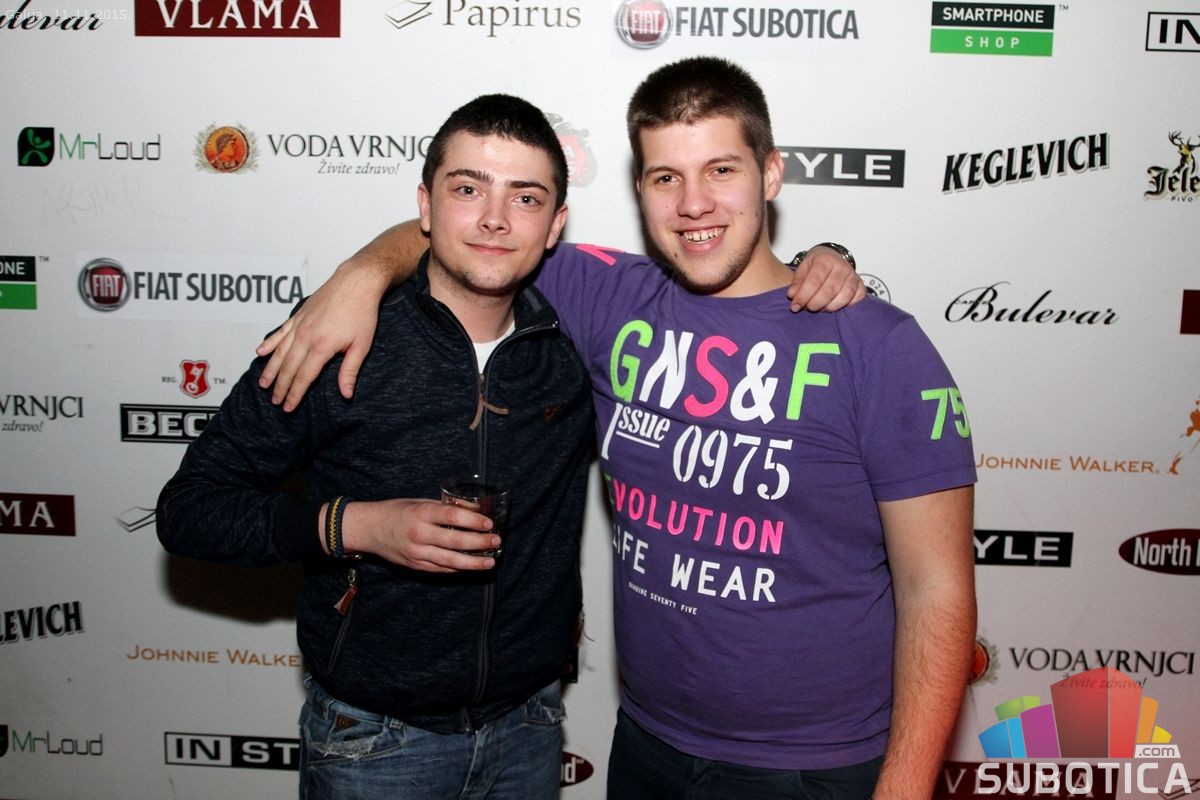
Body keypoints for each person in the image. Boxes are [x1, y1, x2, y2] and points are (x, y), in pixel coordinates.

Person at [258, 58, 974, 800]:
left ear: (770, 174)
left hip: (815, 765)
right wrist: (363, 273)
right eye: (666, 177)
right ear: (639, 190)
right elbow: (472, 235)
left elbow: (937, 590)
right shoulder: (608, 295)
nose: (693, 204)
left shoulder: (878, 345)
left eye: (721, 170)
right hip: (647, 743)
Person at [158, 94, 596, 800]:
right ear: (424, 205)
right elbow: (190, 511)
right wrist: (358, 526)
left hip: (529, 727)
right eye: (468, 189)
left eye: (525, 197)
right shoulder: (333, 339)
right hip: (373, 742)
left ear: (555, 225)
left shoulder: (580, 344)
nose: (494, 218)